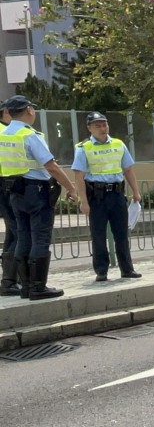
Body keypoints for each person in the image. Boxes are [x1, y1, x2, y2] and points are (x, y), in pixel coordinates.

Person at [0, 95, 78, 300]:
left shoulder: (3, 134)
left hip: (15, 192)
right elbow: (51, 165)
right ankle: (38, 287)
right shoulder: (29, 135)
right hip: (36, 191)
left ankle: (25, 286)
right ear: (29, 110)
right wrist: (71, 188)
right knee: (40, 238)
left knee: (23, 236)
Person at [71, 111, 142, 282]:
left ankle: (127, 269)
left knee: (122, 233)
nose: (102, 128)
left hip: (117, 194)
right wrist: (84, 201)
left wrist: (136, 192)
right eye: (98, 126)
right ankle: (101, 270)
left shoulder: (118, 144)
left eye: (104, 125)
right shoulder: (83, 148)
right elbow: (79, 176)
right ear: (89, 128)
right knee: (98, 235)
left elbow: (128, 170)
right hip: (97, 196)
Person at [0, 99, 21, 296]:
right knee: (17, 231)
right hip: (6, 184)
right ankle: (9, 281)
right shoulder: (4, 132)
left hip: (6, 184)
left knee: (13, 232)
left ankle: (13, 278)